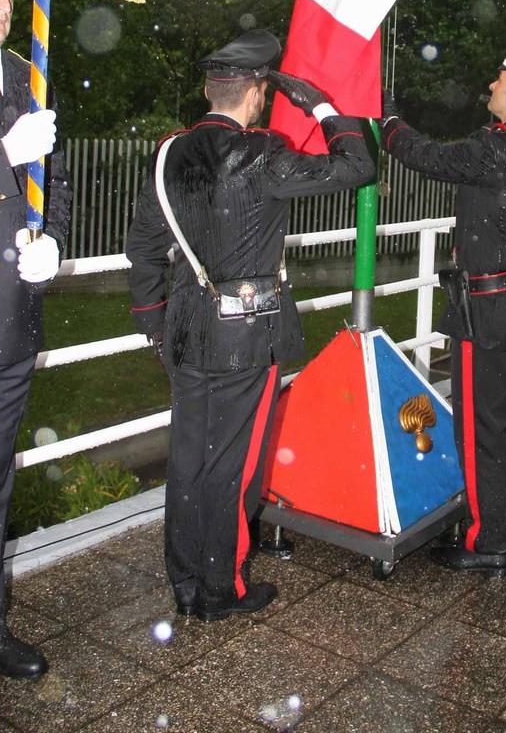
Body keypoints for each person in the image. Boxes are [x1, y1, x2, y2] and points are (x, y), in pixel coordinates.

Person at [126, 31, 375, 622]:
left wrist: (155, 326)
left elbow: (143, 248)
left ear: (211, 90)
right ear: (257, 93)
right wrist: (320, 104)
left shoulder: (169, 153)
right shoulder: (262, 152)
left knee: (189, 457)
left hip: (185, 332)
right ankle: (221, 587)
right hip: (246, 333)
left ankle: (184, 581)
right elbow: (357, 166)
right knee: (231, 463)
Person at [379, 30, 506, 577]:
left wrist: (389, 121)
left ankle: (488, 541)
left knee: (484, 427)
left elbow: (425, 155)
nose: (490, 83)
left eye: (498, 78)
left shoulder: (496, 148)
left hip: (489, 313)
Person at [0, 0, 71, 692]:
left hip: (4, 326)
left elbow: (55, 179)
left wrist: (54, 243)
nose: (4, 2)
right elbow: (7, 166)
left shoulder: (23, 75)